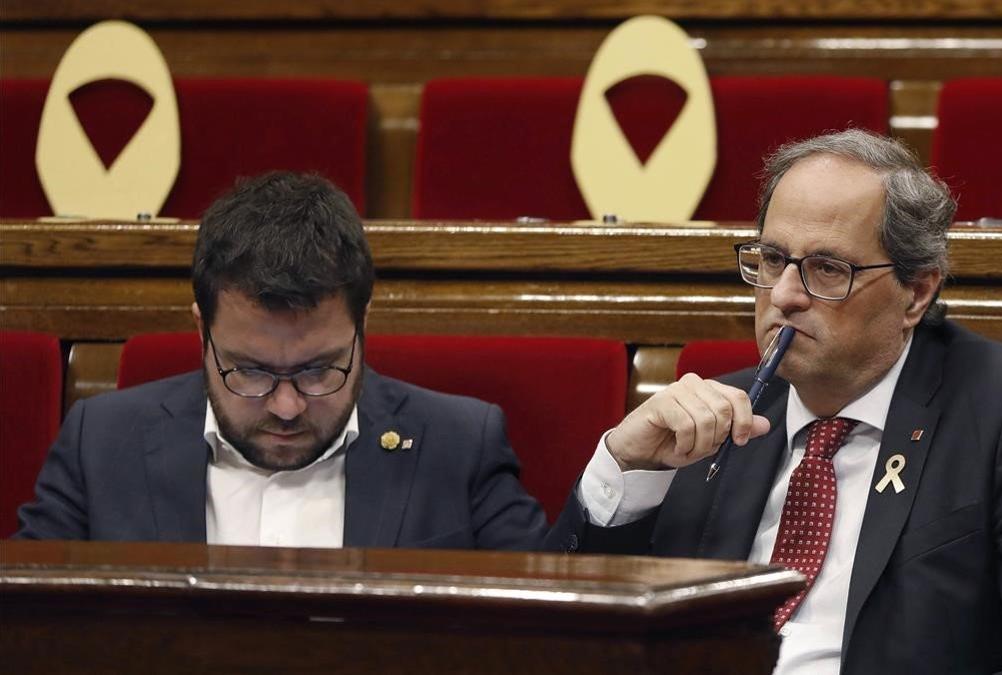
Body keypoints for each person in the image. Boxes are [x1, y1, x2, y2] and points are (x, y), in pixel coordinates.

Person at [561, 130, 1002, 674]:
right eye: (772, 259)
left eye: (827, 270)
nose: (784, 295)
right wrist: (626, 467)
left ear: (917, 292)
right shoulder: (714, 413)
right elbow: (566, 637)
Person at [16, 172, 583, 550]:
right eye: (250, 371)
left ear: (362, 328)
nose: (286, 407)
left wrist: (618, 476)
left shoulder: (459, 445)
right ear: (201, 330)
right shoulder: (101, 443)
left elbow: (554, 622)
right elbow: (28, 628)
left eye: (318, 370)